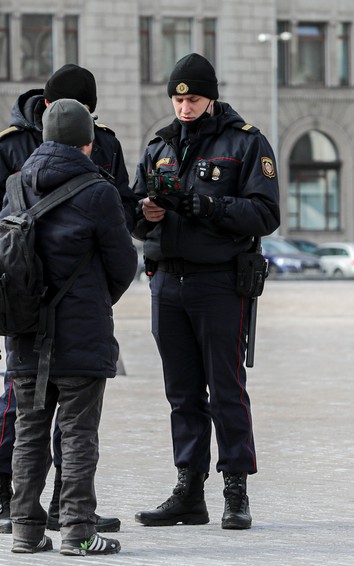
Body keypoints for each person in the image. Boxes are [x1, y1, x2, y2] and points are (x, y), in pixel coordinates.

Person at [0, 64, 131, 534]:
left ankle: (58, 507)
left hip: (64, 310)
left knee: (43, 419)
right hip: (26, 303)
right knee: (24, 411)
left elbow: (119, 208)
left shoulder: (103, 143)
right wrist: (21, 276)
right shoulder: (7, 148)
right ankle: (5, 498)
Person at [131, 53, 281, 530]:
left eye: (192, 99)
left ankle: (235, 490)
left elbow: (265, 213)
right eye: (177, 99)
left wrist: (205, 205)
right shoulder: (160, 145)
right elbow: (131, 210)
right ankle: (188, 490)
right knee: (182, 393)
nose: (184, 108)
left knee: (227, 389)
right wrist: (145, 215)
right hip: (167, 282)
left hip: (218, 284)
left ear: (210, 97)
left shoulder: (245, 143)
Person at [4, 98, 136, 555]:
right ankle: (78, 532)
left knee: (29, 430)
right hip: (81, 332)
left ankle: (25, 530)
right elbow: (123, 264)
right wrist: (98, 300)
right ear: (88, 141)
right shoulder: (98, 191)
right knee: (78, 433)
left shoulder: (16, 185)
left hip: (23, 332)